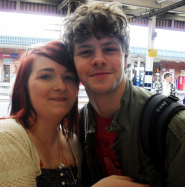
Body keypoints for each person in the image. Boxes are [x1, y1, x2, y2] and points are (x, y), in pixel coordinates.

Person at [62, 1, 185, 187]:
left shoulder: (173, 127)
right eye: (86, 52)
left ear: (125, 57)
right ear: (73, 63)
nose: (98, 60)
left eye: (109, 49)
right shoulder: (79, 126)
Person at [0, 41, 82, 186]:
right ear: (23, 86)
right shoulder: (6, 136)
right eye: (45, 76)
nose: (61, 86)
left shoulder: (72, 142)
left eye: (69, 77)